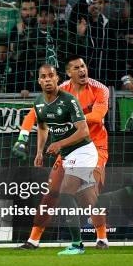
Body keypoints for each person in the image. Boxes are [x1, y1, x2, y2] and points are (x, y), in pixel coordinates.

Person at [14, 56, 111, 249]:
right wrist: (23, 138)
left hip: (95, 147)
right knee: (51, 193)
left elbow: (99, 115)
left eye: (83, 66)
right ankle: (33, 240)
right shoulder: (62, 90)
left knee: (88, 194)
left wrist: (67, 114)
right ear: (68, 73)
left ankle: (102, 238)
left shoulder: (100, 89)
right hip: (67, 149)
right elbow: (34, 115)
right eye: (76, 68)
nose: (82, 70)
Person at [28, 64, 98, 255]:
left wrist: (59, 144)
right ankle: (98, 235)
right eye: (44, 76)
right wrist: (39, 152)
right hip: (68, 155)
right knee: (84, 197)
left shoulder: (69, 100)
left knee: (66, 193)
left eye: (51, 75)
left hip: (83, 151)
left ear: (58, 78)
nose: (48, 79)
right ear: (39, 81)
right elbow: (43, 128)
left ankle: (77, 245)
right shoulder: (39, 103)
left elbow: (83, 131)